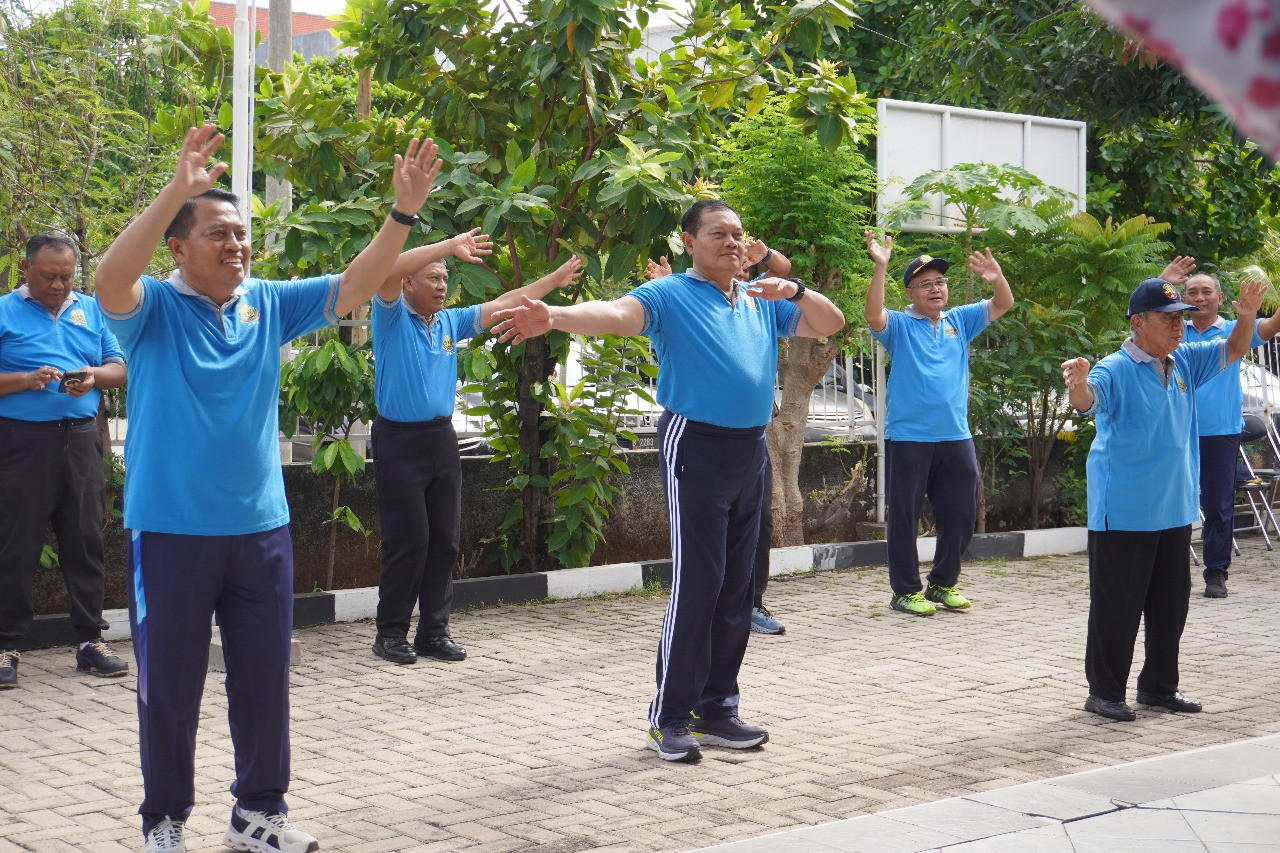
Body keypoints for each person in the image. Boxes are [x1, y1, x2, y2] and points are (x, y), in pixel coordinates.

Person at [92, 125, 441, 853]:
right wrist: (174, 193)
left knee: (263, 678)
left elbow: (353, 283)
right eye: (218, 233)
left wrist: (401, 213)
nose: (237, 245)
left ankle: (260, 812)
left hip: (260, 528)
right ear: (179, 247)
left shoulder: (269, 302)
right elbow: (109, 279)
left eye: (242, 234)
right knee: (171, 685)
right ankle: (164, 819)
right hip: (170, 529)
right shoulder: (152, 308)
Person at [490, 200, 845, 762]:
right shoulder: (670, 295)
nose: (731, 242)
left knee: (738, 588)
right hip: (695, 445)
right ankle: (671, 717)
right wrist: (554, 317)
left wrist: (793, 289)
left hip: (750, 449)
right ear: (688, 241)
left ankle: (718, 709)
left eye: (738, 233)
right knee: (699, 582)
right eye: (717, 234)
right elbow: (616, 314)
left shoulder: (759, 299)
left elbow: (832, 322)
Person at [370, 242, 585, 665]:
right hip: (398, 441)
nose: (442, 284)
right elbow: (388, 268)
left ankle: (434, 632)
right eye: (434, 276)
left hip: (440, 439)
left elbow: (505, 303)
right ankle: (390, 633)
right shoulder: (390, 316)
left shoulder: (449, 321)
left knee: (445, 542)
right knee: (409, 540)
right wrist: (448, 248)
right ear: (409, 282)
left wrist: (553, 282)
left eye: (446, 277)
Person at [1062, 277, 1265, 722]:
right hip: (1127, 510)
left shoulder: (1185, 360)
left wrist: (1247, 315)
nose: (1179, 326)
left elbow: (1233, 349)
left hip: (1173, 507)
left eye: (1182, 319)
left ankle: (1158, 687)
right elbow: (1086, 399)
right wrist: (1076, 383)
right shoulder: (1114, 367)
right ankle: (1104, 692)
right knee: (1118, 606)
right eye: (1169, 318)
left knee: (1170, 605)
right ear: (1138, 322)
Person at [0, 232, 129, 690]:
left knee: (85, 540)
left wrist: (91, 377)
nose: (59, 285)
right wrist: (25, 379)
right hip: (19, 442)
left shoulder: (91, 310)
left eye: (67, 276)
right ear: (25, 269)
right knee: (16, 543)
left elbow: (119, 367)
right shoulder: (4, 310)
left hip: (78, 440)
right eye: (49, 276)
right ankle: (6, 645)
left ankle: (90, 642)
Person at [645, 239, 793, 635]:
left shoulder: (755, 298)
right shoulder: (681, 299)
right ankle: (700, 618)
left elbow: (786, 270)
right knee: (707, 542)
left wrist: (763, 255)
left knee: (757, 526)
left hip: (750, 439)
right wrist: (665, 286)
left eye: (746, 266)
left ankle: (750, 604)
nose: (741, 271)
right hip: (700, 437)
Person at [862, 232, 1014, 617]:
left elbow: (1003, 303)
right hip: (909, 436)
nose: (935, 289)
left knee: (960, 513)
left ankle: (943, 584)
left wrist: (997, 278)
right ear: (910, 292)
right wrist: (880, 265)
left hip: (955, 435)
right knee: (904, 518)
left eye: (940, 281)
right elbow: (873, 314)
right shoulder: (899, 324)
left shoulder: (960, 320)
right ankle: (904, 591)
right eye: (925, 283)